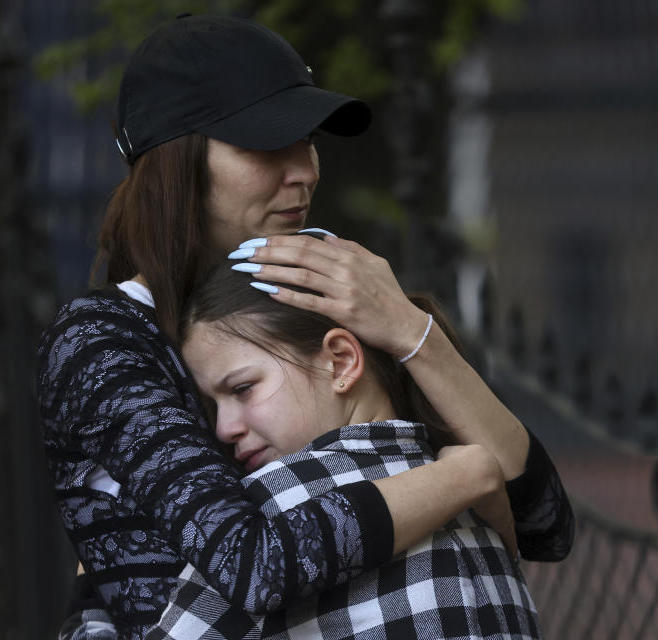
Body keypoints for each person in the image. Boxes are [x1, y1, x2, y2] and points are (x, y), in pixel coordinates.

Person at [37, 14, 573, 640]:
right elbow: (249, 562)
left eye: (308, 140)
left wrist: (407, 329)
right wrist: (464, 475)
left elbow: (543, 523)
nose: (306, 171)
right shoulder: (102, 341)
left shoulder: (324, 291)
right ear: (178, 162)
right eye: (268, 144)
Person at [146, 256, 542, 638]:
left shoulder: (275, 510)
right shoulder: (480, 503)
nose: (223, 428)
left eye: (242, 388)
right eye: (213, 405)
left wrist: (88, 603)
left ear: (340, 361)